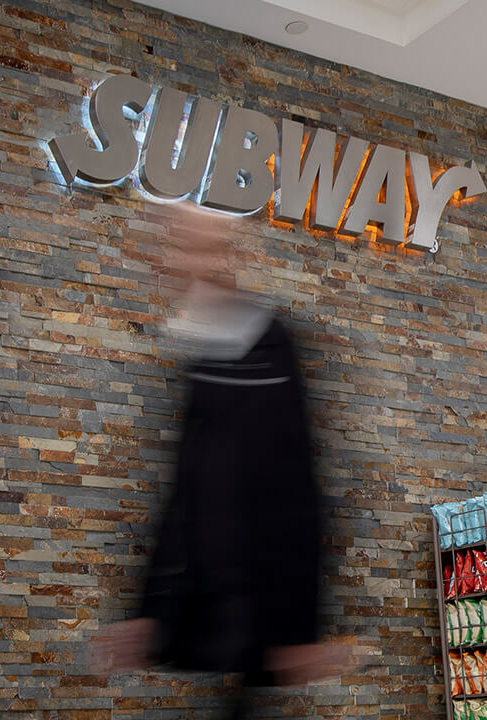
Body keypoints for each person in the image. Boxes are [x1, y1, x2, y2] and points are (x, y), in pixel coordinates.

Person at [92, 206, 345, 718]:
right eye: (179, 246)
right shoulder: (203, 350)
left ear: (231, 257)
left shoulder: (270, 342)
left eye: (201, 247)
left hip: (257, 614)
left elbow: (296, 486)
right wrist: (150, 613)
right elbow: (187, 489)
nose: (185, 260)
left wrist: (300, 628)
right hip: (210, 613)